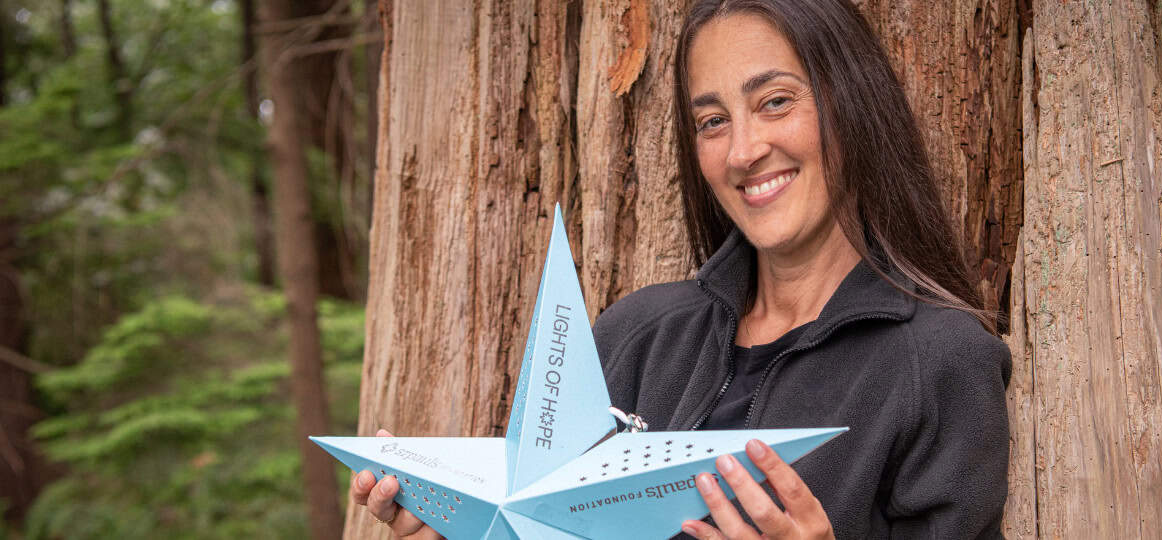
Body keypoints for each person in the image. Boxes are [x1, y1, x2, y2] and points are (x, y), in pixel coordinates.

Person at [350, 0, 1011, 538]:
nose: (745, 150)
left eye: (775, 101)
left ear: (852, 102)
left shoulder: (940, 362)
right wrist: (465, 525)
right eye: (714, 121)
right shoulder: (637, 334)